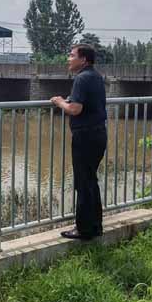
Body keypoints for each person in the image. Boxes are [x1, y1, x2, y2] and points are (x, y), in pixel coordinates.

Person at [51, 44, 107, 240]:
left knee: (83, 182)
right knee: (90, 181)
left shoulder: (82, 79)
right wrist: (68, 100)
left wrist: (59, 103)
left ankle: (83, 230)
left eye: (72, 55)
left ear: (83, 60)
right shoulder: (95, 76)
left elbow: (75, 109)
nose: (68, 58)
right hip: (98, 134)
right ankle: (95, 226)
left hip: (86, 137)